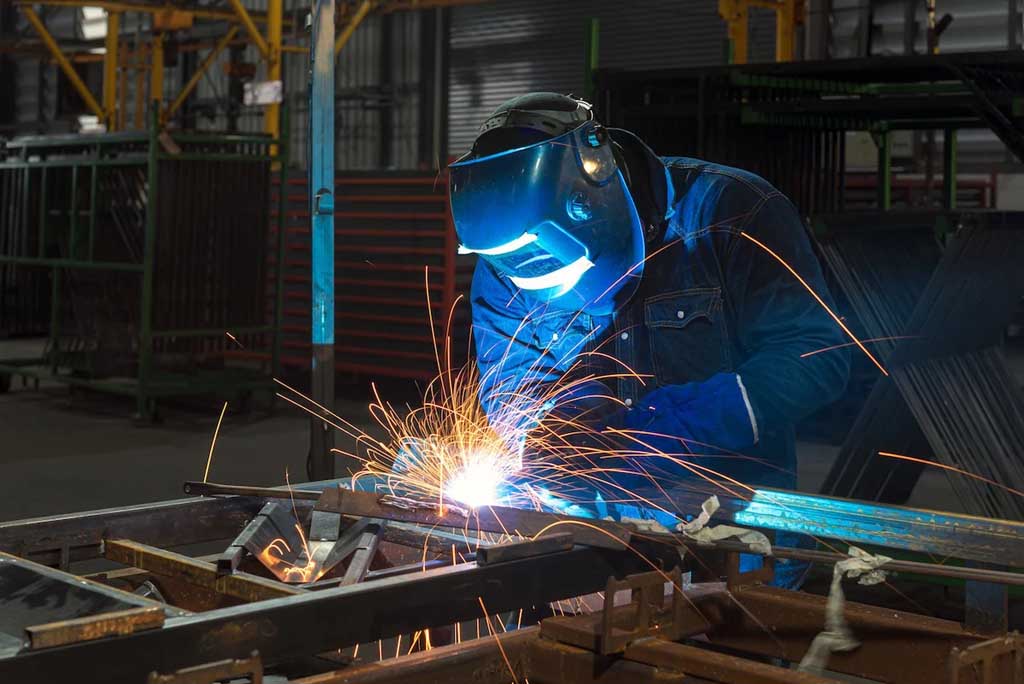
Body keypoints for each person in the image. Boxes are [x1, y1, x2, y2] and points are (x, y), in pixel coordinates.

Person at [448, 93, 850, 587]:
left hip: (733, 540)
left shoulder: (733, 211)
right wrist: (555, 421)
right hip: (586, 538)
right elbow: (513, 380)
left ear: (596, 188)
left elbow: (817, 356)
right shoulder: (508, 257)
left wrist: (675, 427)